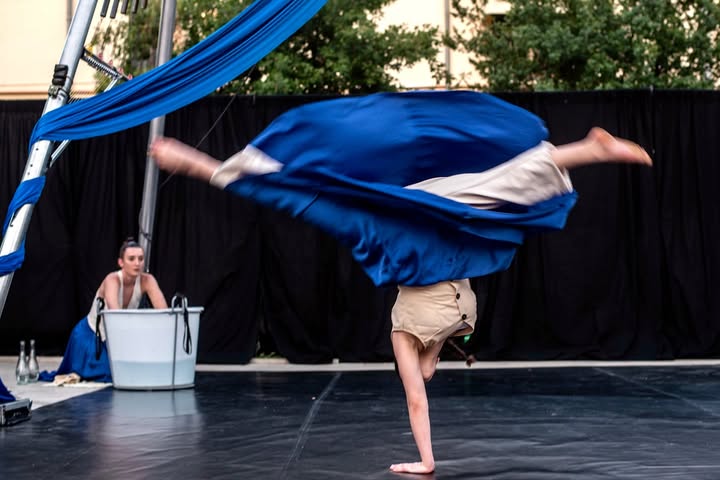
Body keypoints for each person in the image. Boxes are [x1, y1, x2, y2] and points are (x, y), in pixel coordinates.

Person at [148, 90, 652, 474]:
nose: (425, 370)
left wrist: (427, 458)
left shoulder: (425, 335)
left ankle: (585, 151)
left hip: (460, 306)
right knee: (447, 192)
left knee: (445, 197)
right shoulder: (411, 335)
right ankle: (587, 150)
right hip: (437, 279)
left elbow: (421, 389)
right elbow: (419, 384)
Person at [40, 238, 168, 384]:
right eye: (131, 259)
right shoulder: (112, 280)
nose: (137, 263)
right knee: (112, 374)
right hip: (91, 336)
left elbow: (163, 313)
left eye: (140, 259)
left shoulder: (147, 280)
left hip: (119, 337)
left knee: (137, 372)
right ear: (121, 262)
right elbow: (115, 316)